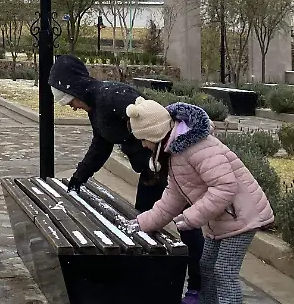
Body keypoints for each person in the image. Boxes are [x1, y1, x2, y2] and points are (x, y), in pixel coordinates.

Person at [46, 55, 204, 303]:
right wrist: (79, 176)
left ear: (75, 89)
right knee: (142, 219)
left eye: (69, 100)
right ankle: (152, 282)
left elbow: (158, 121)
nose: (71, 106)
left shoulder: (113, 96)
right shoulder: (96, 107)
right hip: (151, 174)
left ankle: (197, 286)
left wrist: (165, 161)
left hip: (171, 170)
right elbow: (101, 144)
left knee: (187, 227)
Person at [123, 98, 275, 304]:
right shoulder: (175, 150)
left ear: (155, 133)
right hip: (221, 217)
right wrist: (144, 222)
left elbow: (225, 186)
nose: (143, 144)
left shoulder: (196, 147)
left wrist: (192, 217)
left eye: (143, 138)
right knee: (206, 266)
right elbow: (173, 197)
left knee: (224, 271)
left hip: (241, 216)